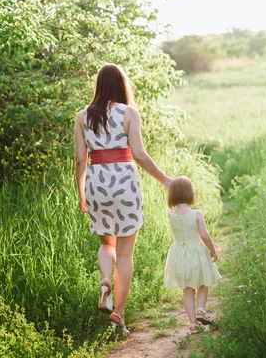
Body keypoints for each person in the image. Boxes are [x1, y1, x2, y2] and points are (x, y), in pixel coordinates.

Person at [74, 63, 171, 336]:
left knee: (107, 243)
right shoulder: (129, 113)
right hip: (124, 183)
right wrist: (165, 180)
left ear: (98, 85)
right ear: (121, 85)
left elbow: (81, 159)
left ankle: (105, 280)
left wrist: (82, 194)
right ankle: (119, 313)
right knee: (126, 254)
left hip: (96, 183)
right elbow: (139, 154)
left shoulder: (82, 116)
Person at [164, 176, 221, 334]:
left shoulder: (171, 215)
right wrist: (213, 250)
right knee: (203, 283)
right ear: (190, 193)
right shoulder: (197, 214)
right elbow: (204, 235)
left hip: (179, 255)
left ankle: (193, 324)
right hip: (196, 252)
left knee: (187, 289)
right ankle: (201, 310)